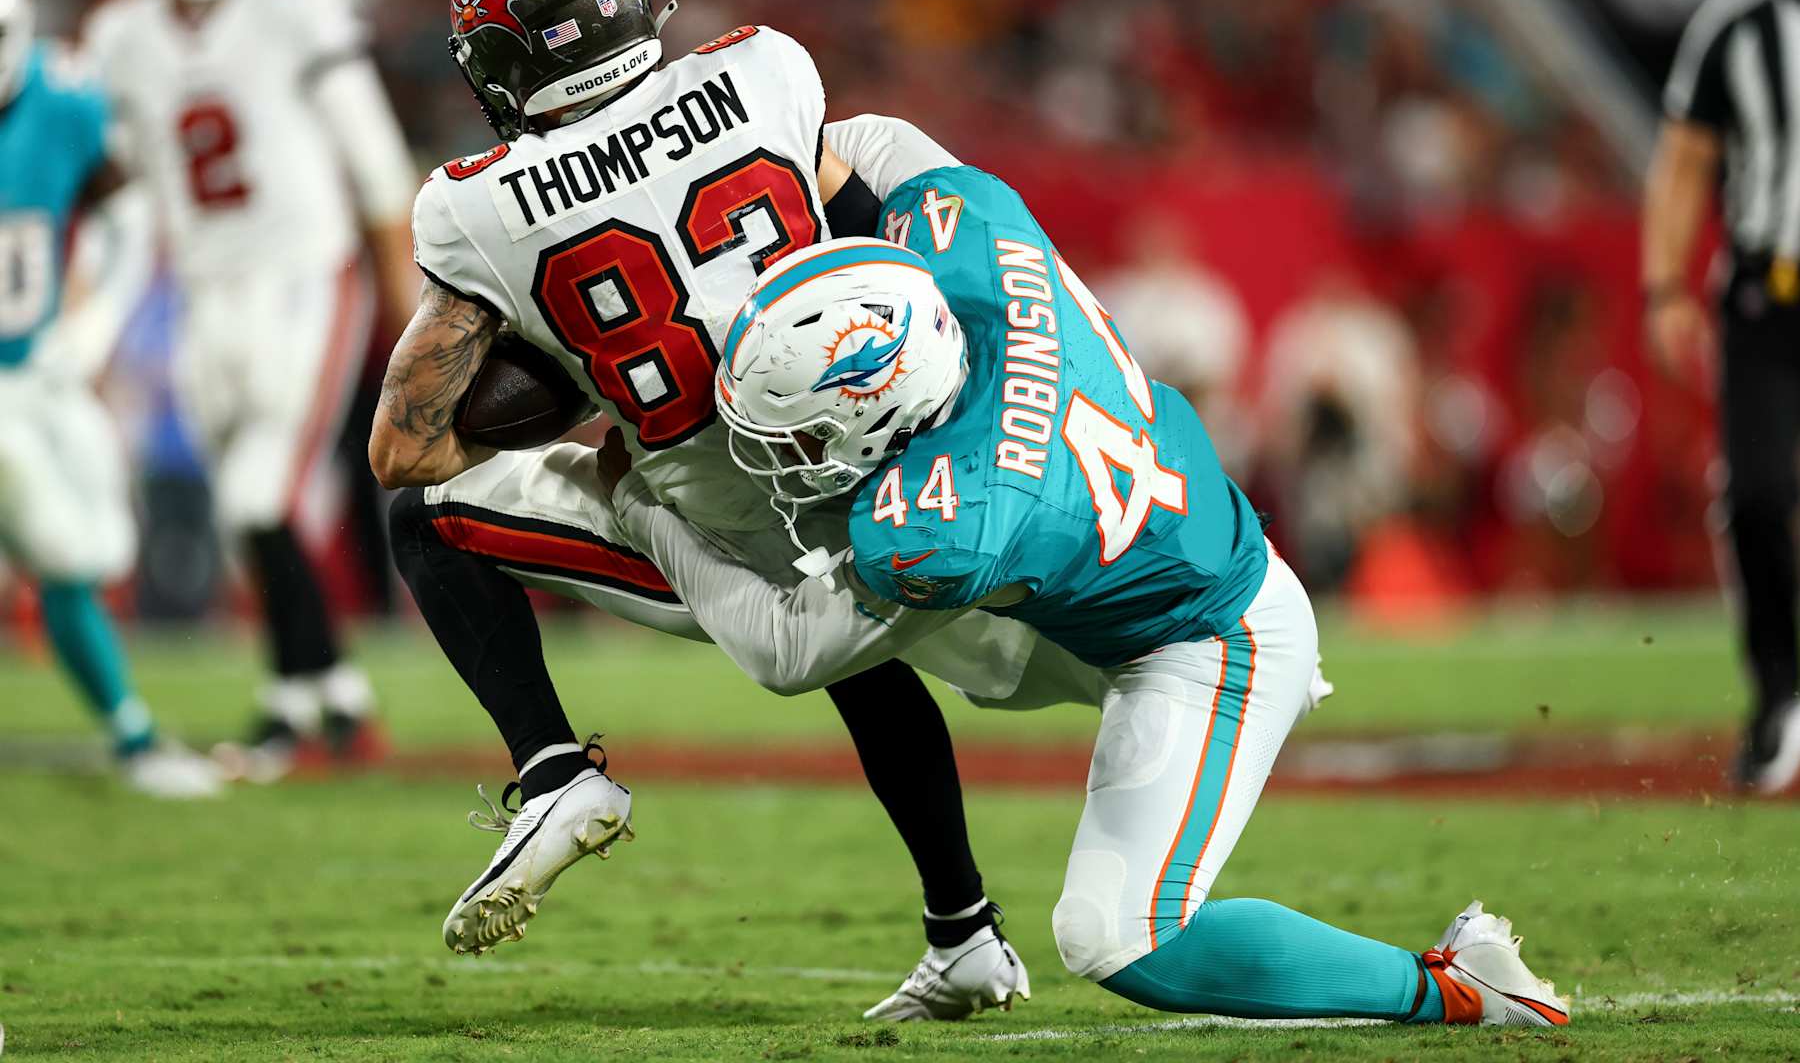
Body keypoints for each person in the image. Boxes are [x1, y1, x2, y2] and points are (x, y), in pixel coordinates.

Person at [595, 166, 1571, 1028]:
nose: (784, 456)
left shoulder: (953, 514)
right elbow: (859, 136)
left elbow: (786, 654)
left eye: (803, 435)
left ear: (886, 408)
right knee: (845, 572)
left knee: (1117, 935)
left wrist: (643, 510)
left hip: (1206, 636)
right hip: (1113, 571)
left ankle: (1458, 984)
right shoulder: (968, 240)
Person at [369, 0, 1031, 1020]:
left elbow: (407, 448)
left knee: (423, 518)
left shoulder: (471, 203)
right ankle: (962, 931)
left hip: (717, 536)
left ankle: (552, 772)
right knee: (872, 659)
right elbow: (871, 236)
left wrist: (594, 368)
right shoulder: (765, 68)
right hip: (874, 480)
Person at [82, 0, 417, 777]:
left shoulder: (295, 4)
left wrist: (409, 313)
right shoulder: (122, 34)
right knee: (247, 520)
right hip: (201, 286)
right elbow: (119, 183)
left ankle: (286, 712)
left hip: (305, 276)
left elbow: (377, 163)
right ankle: (337, 699)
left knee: (258, 496)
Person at [0, 0, 221, 799]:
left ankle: (131, 733)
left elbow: (128, 214)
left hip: (43, 371)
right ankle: (134, 736)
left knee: (99, 545)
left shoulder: (62, 103)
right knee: (59, 548)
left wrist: (89, 327)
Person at [1642, 0, 1800, 794]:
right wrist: (1664, 287)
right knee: (1757, 494)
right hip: (1765, 296)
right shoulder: (1736, 27)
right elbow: (1683, 161)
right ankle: (1779, 694)